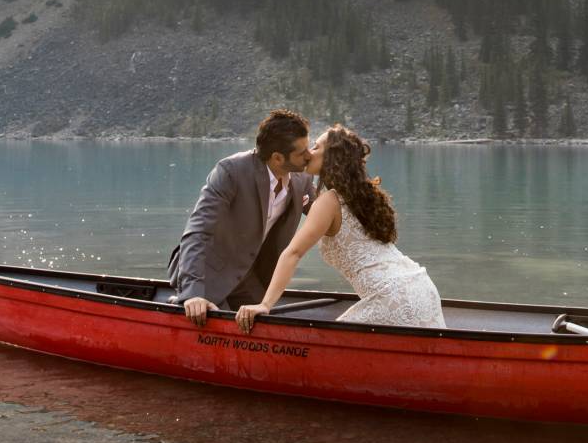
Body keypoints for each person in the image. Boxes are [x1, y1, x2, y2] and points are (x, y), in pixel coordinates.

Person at [236, 125, 446, 331]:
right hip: (421, 287)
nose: (309, 153)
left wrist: (265, 305)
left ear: (332, 158)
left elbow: (293, 253)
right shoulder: (364, 197)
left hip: (391, 296)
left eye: (316, 147)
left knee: (324, 352)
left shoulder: (329, 201)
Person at [168, 109, 319, 326]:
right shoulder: (231, 172)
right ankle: (178, 299)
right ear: (277, 157)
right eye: (302, 152)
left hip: (249, 277)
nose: (309, 155)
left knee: (264, 323)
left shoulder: (301, 178)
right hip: (209, 271)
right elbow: (198, 231)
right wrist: (192, 293)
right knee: (212, 322)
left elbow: (321, 213)